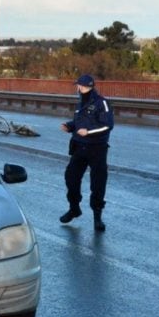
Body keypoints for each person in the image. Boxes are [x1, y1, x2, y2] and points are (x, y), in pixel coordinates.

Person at [59, 74, 114, 232]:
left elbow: (107, 125)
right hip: (79, 147)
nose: (77, 88)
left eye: (78, 85)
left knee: (98, 183)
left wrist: (89, 132)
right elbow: (79, 123)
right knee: (71, 177)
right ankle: (74, 208)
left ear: (83, 86)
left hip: (97, 148)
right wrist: (69, 126)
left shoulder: (101, 102)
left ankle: (97, 217)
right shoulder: (80, 102)